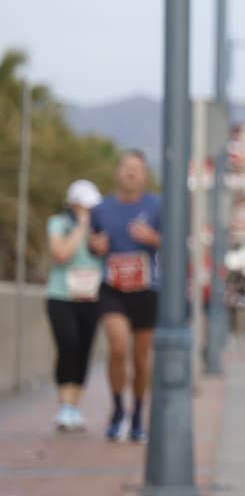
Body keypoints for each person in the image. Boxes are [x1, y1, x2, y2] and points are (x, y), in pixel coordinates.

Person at [88, 150, 162, 444]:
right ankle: (118, 408)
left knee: (141, 360)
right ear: (118, 172)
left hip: (145, 288)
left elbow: (177, 242)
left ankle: (138, 415)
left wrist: (153, 239)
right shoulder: (102, 209)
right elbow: (93, 243)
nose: (131, 173)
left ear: (144, 176)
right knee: (118, 348)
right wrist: (96, 246)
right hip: (113, 288)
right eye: (127, 168)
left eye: (137, 169)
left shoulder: (157, 206)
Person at [45, 180, 104, 432]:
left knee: (83, 349)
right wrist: (79, 227)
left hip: (90, 298)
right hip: (61, 296)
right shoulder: (59, 224)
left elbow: (103, 251)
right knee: (67, 345)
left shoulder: (99, 228)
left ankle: (75, 405)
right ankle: (64, 406)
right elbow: (60, 254)